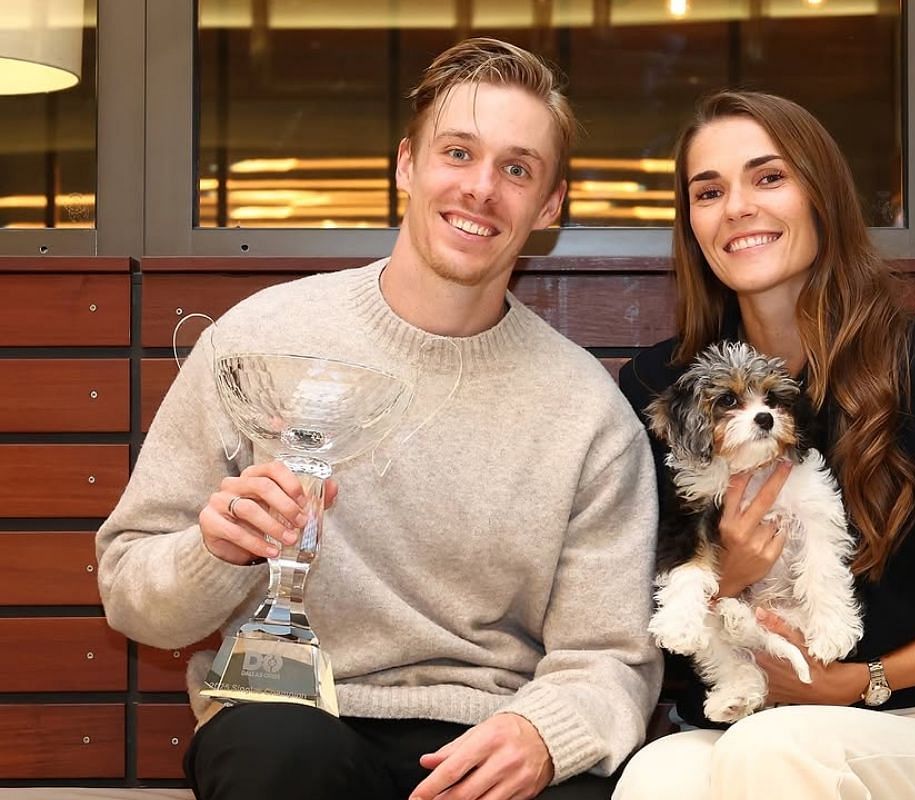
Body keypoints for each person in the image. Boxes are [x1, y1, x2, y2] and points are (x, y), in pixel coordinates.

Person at [96, 38, 662, 800]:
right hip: (291, 720)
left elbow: (612, 654)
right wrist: (214, 551)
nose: (481, 189)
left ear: (550, 204)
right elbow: (132, 591)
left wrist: (544, 733)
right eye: (457, 153)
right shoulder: (259, 341)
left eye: (517, 168)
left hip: (489, 734)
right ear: (406, 165)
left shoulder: (588, 411)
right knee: (276, 755)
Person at [614, 91, 915, 799]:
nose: (737, 206)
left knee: (776, 753)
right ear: (692, 225)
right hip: (743, 713)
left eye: (768, 177)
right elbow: (634, 599)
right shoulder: (666, 389)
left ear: (822, 197)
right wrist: (729, 573)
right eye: (708, 191)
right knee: (657, 776)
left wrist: (859, 681)